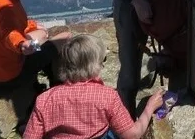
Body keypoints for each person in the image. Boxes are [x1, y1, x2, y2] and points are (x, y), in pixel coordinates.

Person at [23, 34, 165, 139]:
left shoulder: (44, 100)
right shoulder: (107, 96)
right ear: (94, 64)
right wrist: (149, 107)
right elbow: (132, 135)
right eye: (101, 60)